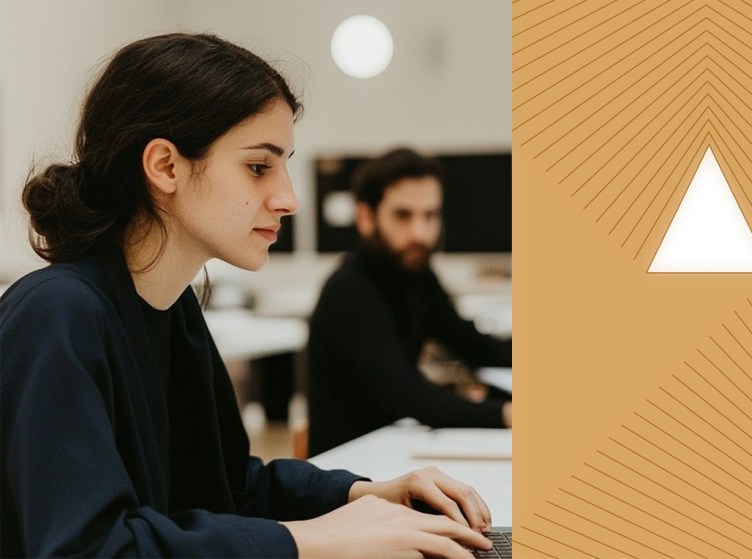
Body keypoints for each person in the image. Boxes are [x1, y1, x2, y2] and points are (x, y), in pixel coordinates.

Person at [0, 33, 494, 558]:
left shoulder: (174, 310)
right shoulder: (55, 315)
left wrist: (365, 494)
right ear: (165, 166)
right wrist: (306, 540)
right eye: (259, 167)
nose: (289, 198)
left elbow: (231, 487)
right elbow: (92, 550)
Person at [306, 148, 512, 456]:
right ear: (366, 217)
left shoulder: (418, 277)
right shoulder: (348, 289)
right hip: (349, 471)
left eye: (430, 215)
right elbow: (410, 396)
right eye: (403, 215)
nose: (420, 233)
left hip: (398, 450)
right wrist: (506, 414)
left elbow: (475, 345)